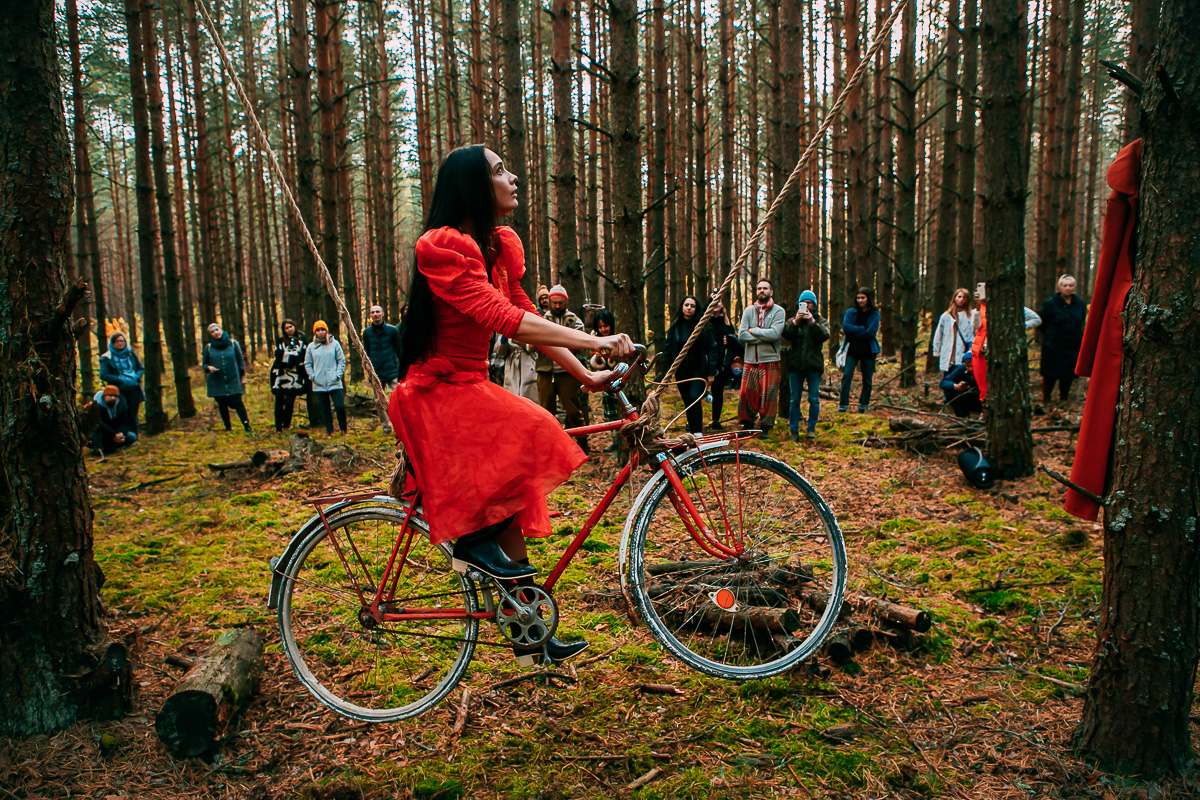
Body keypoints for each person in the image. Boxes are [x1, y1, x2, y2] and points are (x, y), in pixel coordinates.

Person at [388, 144, 633, 667]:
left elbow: (525, 314)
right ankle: (469, 542)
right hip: (439, 391)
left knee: (513, 505)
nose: (514, 177)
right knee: (536, 426)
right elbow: (505, 320)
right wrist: (594, 342)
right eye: (500, 171)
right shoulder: (444, 245)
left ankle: (530, 634)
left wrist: (585, 374)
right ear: (474, 186)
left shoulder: (498, 246)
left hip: (467, 386)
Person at [535, 284, 590, 452]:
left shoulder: (575, 320)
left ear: (566, 302)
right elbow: (534, 342)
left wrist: (554, 339)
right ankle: (549, 446)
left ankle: (581, 444)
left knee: (574, 410)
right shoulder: (541, 320)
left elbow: (578, 343)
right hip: (545, 371)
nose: (557, 306)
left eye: (560, 303)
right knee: (546, 411)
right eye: (554, 302)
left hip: (567, 372)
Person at [969, 285, 1042, 402]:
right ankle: (985, 412)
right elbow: (975, 326)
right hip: (980, 351)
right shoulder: (980, 309)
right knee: (982, 384)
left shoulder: (1010, 306)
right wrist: (978, 307)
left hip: (1001, 350)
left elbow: (1036, 319)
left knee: (1000, 383)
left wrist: (1016, 327)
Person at [737, 279, 786, 439]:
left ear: (771, 292)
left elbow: (775, 334)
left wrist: (755, 331)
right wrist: (763, 336)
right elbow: (742, 334)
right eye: (759, 288)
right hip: (750, 360)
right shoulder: (749, 311)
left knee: (769, 395)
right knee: (747, 393)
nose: (762, 291)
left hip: (770, 359)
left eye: (765, 288)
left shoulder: (779, 311)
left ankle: (765, 426)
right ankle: (748, 423)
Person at [663, 296, 717, 435]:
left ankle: (698, 432)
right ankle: (692, 431)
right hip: (681, 370)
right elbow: (668, 350)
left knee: (694, 398)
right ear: (682, 307)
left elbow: (712, 348)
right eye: (686, 305)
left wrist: (711, 372)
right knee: (687, 401)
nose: (689, 308)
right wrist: (666, 373)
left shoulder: (703, 326)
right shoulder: (675, 327)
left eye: (692, 305)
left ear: (696, 308)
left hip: (698, 369)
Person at [782, 290, 830, 441]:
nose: (807, 306)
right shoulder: (793, 321)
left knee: (813, 399)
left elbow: (824, 336)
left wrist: (812, 323)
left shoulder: (821, 321)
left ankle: (811, 429)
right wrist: (795, 322)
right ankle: (794, 431)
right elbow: (785, 333)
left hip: (813, 366)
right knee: (794, 400)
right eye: (804, 303)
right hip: (795, 366)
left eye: (809, 303)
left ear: (814, 305)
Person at [1038, 274, 1087, 403]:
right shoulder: (1051, 303)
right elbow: (1042, 323)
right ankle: (1046, 399)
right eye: (1065, 285)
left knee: (1068, 373)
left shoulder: (1079, 303)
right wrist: (1051, 337)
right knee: (1050, 372)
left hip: (1072, 344)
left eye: (1070, 286)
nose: (1067, 288)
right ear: (1060, 287)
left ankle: (1064, 399)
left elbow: (1080, 320)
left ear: (1074, 288)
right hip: (1053, 344)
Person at [203, 323, 252, 432]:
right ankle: (228, 427)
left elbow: (240, 361)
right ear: (210, 335)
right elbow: (204, 364)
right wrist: (209, 368)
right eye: (212, 332)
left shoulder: (233, 344)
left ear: (221, 330)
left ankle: (247, 426)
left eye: (217, 330)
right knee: (222, 404)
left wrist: (242, 377)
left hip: (233, 379)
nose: (216, 333)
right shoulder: (209, 348)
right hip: (217, 380)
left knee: (238, 402)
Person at [838, 288, 881, 413]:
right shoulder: (851, 313)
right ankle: (843, 405)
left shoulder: (874, 313)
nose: (860, 300)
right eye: (858, 298)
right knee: (847, 375)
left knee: (867, 379)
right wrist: (862, 328)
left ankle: (863, 405)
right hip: (852, 350)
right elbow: (846, 328)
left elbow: (871, 332)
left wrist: (855, 332)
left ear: (868, 298)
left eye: (863, 298)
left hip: (868, 350)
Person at [304, 320, 348, 436]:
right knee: (325, 409)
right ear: (315, 333)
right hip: (319, 383)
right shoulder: (311, 347)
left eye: (323, 330)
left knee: (339, 406)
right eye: (318, 330)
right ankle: (330, 431)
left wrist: (338, 374)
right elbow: (307, 363)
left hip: (334, 381)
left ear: (327, 331)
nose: (321, 332)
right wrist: (312, 376)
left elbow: (341, 360)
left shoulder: (335, 344)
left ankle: (343, 430)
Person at [98, 332, 145, 434]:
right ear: (113, 343)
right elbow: (103, 375)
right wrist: (120, 378)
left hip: (133, 388)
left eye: (122, 341)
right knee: (123, 412)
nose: (120, 343)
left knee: (133, 413)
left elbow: (141, 368)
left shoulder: (130, 353)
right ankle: (122, 436)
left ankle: (134, 436)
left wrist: (136, 376)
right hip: (118, 390)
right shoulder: (107, 357)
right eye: (118, 341)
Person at [706, 299, 742, 430]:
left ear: (723, 304)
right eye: (713, 301)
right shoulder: (704, 321)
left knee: (718, 392)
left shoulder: (727, 324)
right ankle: (692, 421)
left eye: (719, 301)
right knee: (698, 393)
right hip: (705, 362)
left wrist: (729, 343)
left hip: (721, 364)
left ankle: (716, 419)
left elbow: (734, 344)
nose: (716, 304)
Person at [270, 319, 309, 433]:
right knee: (279, 402)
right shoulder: (280, 341)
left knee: (290, 402)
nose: (289, 329)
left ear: (295, 326)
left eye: (290, 326)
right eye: (286, 328)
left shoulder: (302, 341)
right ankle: (278, 428)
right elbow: (279, 355)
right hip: (280, 374)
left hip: (295, 376)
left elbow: (303, 356)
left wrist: (292, 360)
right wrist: (291, 360)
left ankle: (286, 426)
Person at [931, 288, 975, 374]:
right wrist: (936, 350)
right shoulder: (946, 316)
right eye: (959, 296)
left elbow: (976, 333)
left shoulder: (971, 315)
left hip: (965, 355)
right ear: (954, 298)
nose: (961, 299)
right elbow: (938, 335)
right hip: (948, 355)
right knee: (948, 380)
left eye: (964, 297)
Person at [363, 305, 403, 390]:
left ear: (383, 314)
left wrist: (402, 369)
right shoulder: (367, 333)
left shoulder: (393, 330)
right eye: (373, 312)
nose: (375, 314)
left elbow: (399, 351)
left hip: (392, 371)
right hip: (375, 372)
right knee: (378, 400)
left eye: (378, 311)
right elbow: (367, 352)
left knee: (398, 395)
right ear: (370, 315)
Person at [91, 384, 138, 455]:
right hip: (104, 432)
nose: (113, 398)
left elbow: (124, 421)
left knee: (132, 436)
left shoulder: (121, 404)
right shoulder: (96, 406)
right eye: (110, 396)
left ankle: (113, 445)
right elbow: (98, 423)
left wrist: (120, 433)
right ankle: (99, 449)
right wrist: (113, 435)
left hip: (115, 431)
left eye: (115, 396)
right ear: (104, 396)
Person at [940, 351, 982, 417]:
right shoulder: (962, 368)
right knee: (948, 391)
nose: (970, 369)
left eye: (972, 366)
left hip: (980, 398)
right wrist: (956, 386)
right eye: (967, 366)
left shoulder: (984, 369)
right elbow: (943, 382)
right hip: (966, 397)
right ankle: (961, 415)